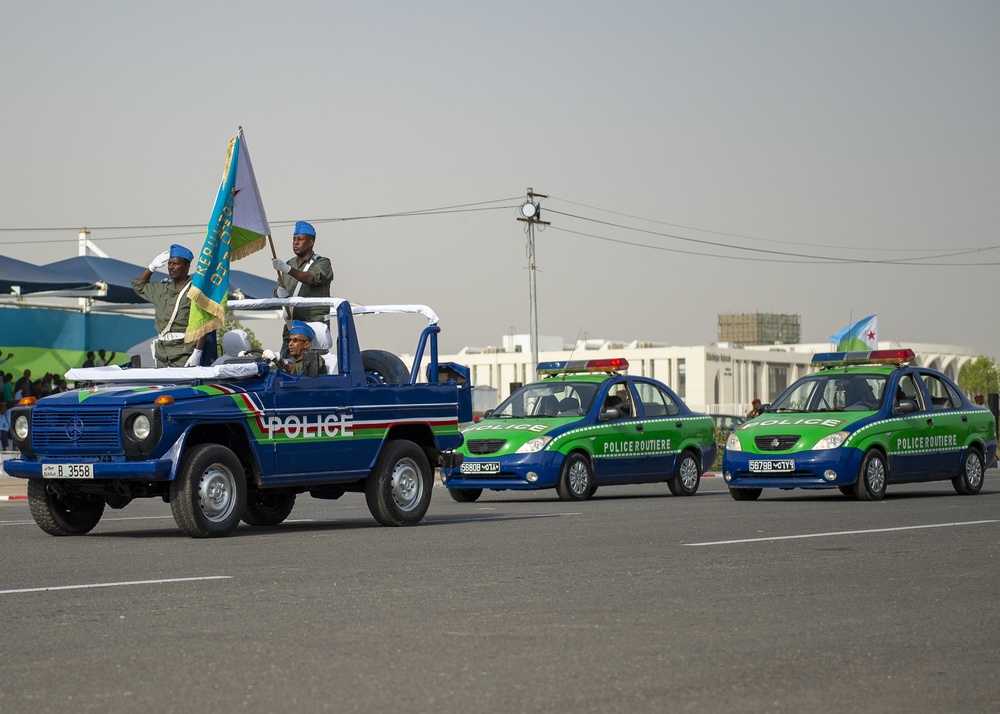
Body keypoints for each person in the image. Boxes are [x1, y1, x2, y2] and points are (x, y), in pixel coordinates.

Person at [132, 244, 207, 368]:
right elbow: (138, 286)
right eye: (169, 264)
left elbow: (204, 324)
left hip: (183, 353)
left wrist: (197, 353)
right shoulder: (161, 288)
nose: (171, 267)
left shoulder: (195, 291)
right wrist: (152, 267)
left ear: (187, 267)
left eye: (175, 264)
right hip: (162, 354)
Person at [272, 221, 333, 356]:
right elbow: (279, 286)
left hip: (314, 326)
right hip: (292, 327)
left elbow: (310, 278)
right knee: (286, 367)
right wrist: (278, 293)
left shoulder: (322, 262)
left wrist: (287, 269)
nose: (295, 243)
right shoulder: (289, 263)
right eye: (294, 239)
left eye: (300, 239)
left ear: (311, 242)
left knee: (314, 366)